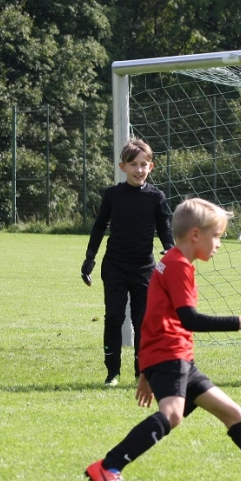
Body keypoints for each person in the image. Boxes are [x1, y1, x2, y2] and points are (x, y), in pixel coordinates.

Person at [85, 198, 241, 481]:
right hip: (171, 356)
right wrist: (239, 322)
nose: (219, 244)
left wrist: (145, 368)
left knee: (232, 413)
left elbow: (151, 317)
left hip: (176, 358)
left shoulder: (170, 261)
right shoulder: (177, 266)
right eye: (217, 236)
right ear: (195, 235)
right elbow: (189, 319)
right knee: (172, 415)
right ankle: (109, 467)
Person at [81, 139, 174, 386]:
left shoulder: (156, 197)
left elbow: (164, 227)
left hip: (144, 268)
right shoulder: (113, 195)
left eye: (143, 164)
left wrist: (170, 249)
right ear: (122, 166)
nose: (138, 169)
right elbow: (99, 226)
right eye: (133, 164)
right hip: (115, 266)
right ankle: (112, 373)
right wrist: (90, 257)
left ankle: (141, 373)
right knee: (114, 316)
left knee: (142, 321)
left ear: (151, 166)